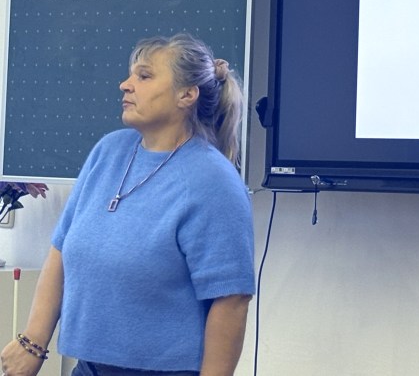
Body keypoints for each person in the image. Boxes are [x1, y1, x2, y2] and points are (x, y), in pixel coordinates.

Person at [0, 33, 255, 376]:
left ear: (186, 95)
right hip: (88, 368)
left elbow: (231, 299)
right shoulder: (108, 151)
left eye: (144, 76)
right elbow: (60, 251)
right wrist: (32, 343)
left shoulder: (213, 180)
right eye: (131, 74)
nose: (125, 85)